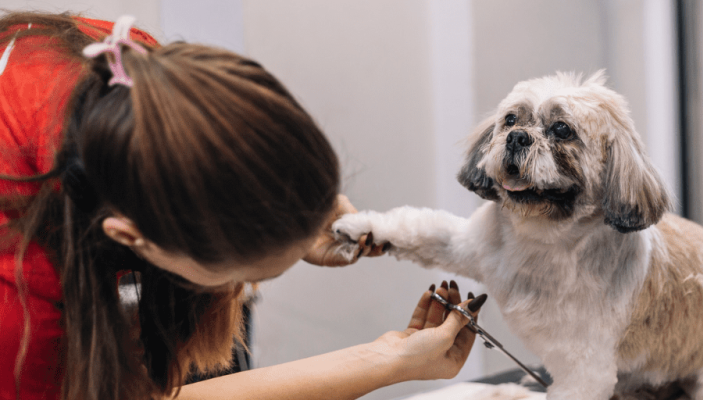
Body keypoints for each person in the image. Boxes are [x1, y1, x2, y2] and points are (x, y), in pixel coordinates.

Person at [0, 11, 487, 400]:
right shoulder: (19, 318)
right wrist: (385, 363)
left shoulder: (140, 80)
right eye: (248, 276)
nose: (247, 287)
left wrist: (296, 227)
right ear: (132, 238)